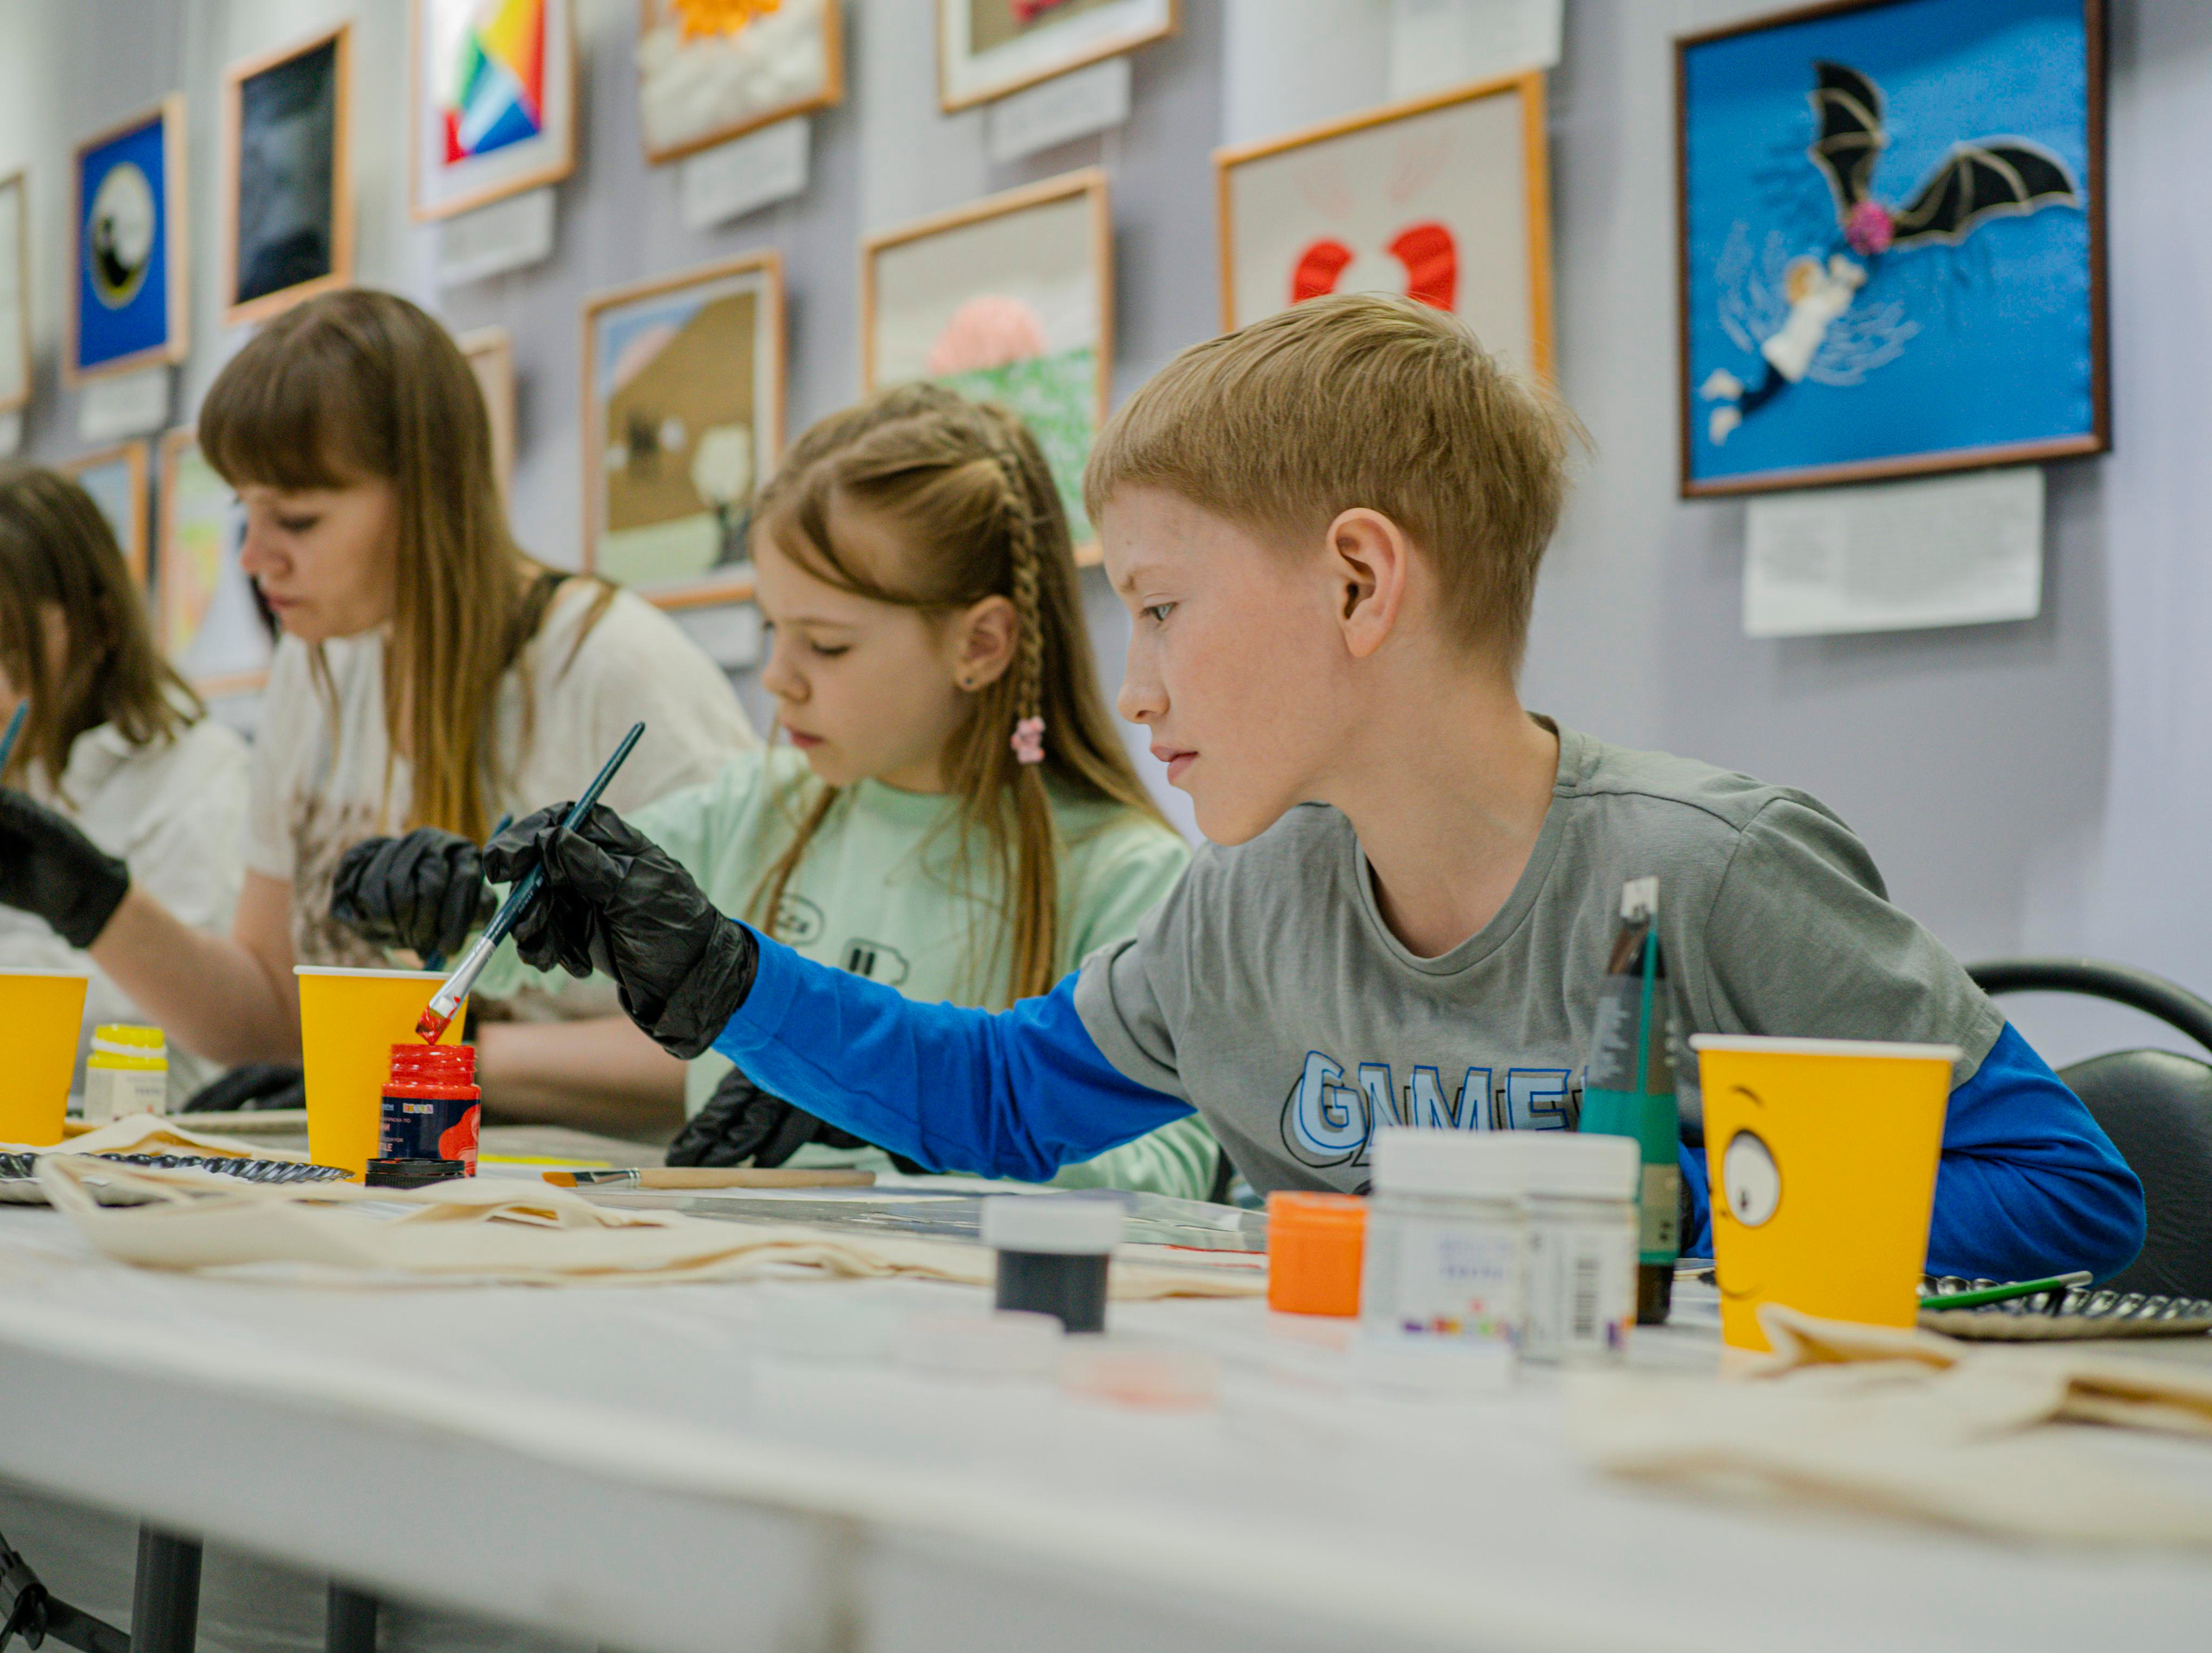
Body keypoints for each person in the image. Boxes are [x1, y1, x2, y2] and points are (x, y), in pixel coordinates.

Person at [389, 294, 2143, 1281]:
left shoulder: (1706, 875)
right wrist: (727, 986)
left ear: (1361, 586)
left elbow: (2067, 1191)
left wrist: (1676, 1208)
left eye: (1156, 610)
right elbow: (1001, 1100)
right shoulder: (1244, 913)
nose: (1132, 687)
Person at [335, 385, 1221, 1198]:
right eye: (771, 630)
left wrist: (894, 1123)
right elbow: (559, 922)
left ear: (981, 645)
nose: (778, 679)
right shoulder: (752, 809)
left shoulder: (1123, 876)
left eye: (826, 645)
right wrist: (466, 893)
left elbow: (1167, 1182)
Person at [0, 290, 754, 1068]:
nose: (254, 559)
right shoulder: (317, 658)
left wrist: (434, 1056)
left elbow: (747, 1038)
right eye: (244, 515)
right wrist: (95, 904)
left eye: (296, 520)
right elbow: (273, 1018)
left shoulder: (614, 666)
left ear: (429, 495)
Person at [0, 466, 248, 1099]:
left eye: (9, 645)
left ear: (101, 627)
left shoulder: (203, 778)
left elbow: (199, 1045)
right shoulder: (24, 766)